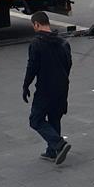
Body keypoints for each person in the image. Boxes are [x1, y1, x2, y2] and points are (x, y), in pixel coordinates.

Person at [22, 12, 73, 165]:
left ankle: (58, 143)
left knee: (35, 119)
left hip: (45, 87)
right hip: (62, 86)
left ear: (36, 24)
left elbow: (32, 67)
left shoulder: (37, 43)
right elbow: (69, 63)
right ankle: (52, 151)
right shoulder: (63, 42)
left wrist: (26, 85)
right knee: (54, 117)